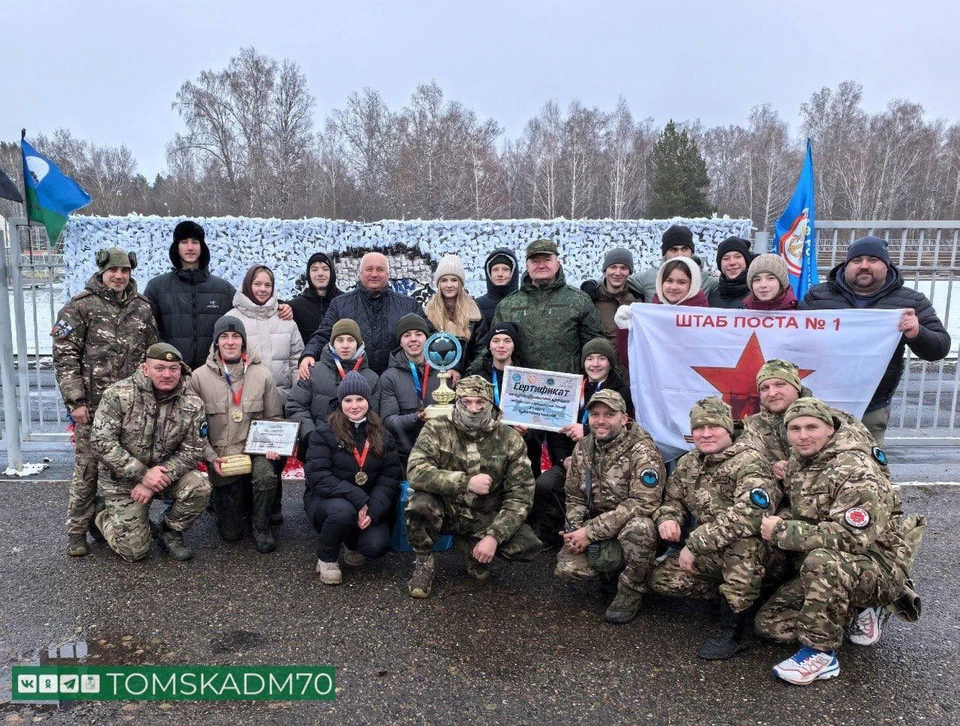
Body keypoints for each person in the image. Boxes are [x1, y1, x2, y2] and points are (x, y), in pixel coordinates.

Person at [757, 398, 922, 685]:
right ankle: (853, 608)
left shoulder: (855, 469)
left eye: (812, 427)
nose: (803, 435)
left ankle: (821, 654)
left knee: (821, 561)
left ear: (830, 430)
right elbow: (803, 510)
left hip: (877, 562)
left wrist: (783, 532)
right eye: (794, 428)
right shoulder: (800, 461)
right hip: (840, 564)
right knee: (772, 625)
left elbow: (852, 537)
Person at [650, 397, 780, 659]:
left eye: (714, 427)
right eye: (699, 428)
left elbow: (751, 515)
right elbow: (672, 499)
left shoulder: (750, 461)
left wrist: (694, 544)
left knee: (744, 545)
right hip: (712, 550)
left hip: (760, 554)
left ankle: (733, 630)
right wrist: (668, 518)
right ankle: (729, 598)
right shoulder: (690, 462)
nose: (706, 434)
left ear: (728, 429)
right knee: (662, 579)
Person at [52, 246, 157, 557]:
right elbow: (64, 356)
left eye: (124, 271)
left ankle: (119, 522)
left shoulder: (142, 308)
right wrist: (76, 402)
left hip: (131, 409)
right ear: (102, 272)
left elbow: (152, 353)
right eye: (113, 271)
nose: (119, 276)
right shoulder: (79, 307)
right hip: (93, 409)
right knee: (87, 470)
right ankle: (76, 532)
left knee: (125, 469)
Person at [800, 236, 951, 443]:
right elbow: (794, 341)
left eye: (872, 259)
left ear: (886, 265)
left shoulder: (910, 301)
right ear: (846, 265)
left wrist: (917, 333)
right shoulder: (817, 297)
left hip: (871, 407)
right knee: (814, 470)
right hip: (819, 405)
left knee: (866, 471)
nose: (863, 266)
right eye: (856, 260)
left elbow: (940, 348)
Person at [405, 376, 541, 597]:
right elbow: (416, 472)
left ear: (490, 404)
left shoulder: (510, 439)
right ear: (457, 402)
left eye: (480, 402)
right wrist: (464, 482)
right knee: (419, 504)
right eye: (466, 402)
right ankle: (424, 563)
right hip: (446, 508)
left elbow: (521, 495)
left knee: (527, 545)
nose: (474, 408)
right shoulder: (436, 428)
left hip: (483, 513)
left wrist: (494, 536)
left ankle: (472, 545)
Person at [90, 343, 210, 562]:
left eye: (173, 369)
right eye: (160, 368)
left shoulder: (192, 403)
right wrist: (142, 474)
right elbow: (101, 442)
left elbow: (193, 451)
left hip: (165, 475)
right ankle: (100, 514)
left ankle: (169, 531)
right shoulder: (119, 394)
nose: (167, 374)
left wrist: (153, 479)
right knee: (134, 552)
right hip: (121, 480)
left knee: (199, 487)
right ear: (145, 369)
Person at [555, 389, 665, 624]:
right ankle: (610, 572)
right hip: (597, 525)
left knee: (640, 528)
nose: (601, 421)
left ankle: (632, 589)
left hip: (630, 526)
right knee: (567, 568)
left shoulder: (642, 450)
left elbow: (644, 502)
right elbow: (574, 495)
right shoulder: (584, 447)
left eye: (609, 414)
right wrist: (574, 528)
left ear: (624, 418)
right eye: (595, 415)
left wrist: (590, 532)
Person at [187, 315, 284, 553]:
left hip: (254, 449)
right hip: (222, 456)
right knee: (231, 534)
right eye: (224, 337)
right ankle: (229, 504)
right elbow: (193, 428)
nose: (230, 342)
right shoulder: (199, 377)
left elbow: (274, 418)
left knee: (265, 476)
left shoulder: (262, 374)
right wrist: (211, 458)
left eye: (236, 336)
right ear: (216, 343)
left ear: (243, 342)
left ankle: (261, 525)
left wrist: (273, 446)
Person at [532, 337, 634, 548]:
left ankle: (598, 537)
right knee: (545, 485)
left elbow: (622, 428)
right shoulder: (572, 387)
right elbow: (557, 428)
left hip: (604, 463)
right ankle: (554, 535)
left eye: (601, 358)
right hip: (571, 457)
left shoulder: (621, 391)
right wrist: (564, 459)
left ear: (610, 362)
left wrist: (586, 430)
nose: (595, 364)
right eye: (590, 358)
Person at [303, 371, 402, 585]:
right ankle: (327, 558)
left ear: (368, 401)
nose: (354, 405)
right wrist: (358, 498)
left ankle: (351, 541)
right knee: (343, 512)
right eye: (348, 400)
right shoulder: (323, 433)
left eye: (360, 399)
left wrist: (373, 511)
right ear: (340, 402)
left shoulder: (383, 435)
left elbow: (389, 478)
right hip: (327, 501)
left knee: (375, 546)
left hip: (367, 503)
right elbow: (318, 476)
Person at [740, 359, 880, 481]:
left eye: (780, 384)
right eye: (765, 388)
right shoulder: (749, 427)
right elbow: (737, 466)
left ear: (796, 387)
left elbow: (869, 463)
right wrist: (770, 468)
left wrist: (801, 469)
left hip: (826, 497)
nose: (772, 393)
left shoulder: (836, 419)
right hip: (774, 501)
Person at [300, 252, 428, 377]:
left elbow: (430, 336)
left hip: (398, 382)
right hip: (352, 385)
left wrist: (445, 362)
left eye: (380, 269)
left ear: (388, 274)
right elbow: (322, 335)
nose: (374, 274)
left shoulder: (408, 305)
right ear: (360, 273)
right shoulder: (340, 304)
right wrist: (308, 355)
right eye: (369, 269)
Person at [492, 239, 604, 375]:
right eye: (535, 261)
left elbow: (596, 346)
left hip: (564, 388)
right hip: (521, 387)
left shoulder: (578, 300)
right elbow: (493, 346)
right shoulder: (508, 305)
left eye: (547, 260)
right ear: (527, 266)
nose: (541, 265)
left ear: (557, 264)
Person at [143, 220, 234, 371]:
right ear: (176, 247)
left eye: (195, 242)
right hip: (171, 373)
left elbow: (250, 307)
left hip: (212, 373)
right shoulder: (157, 287)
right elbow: (145, 330)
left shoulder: (223, 289)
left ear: (202, 247)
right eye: (184, 242)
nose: (190, 247)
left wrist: (280, 305)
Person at [287, 318, 381, 455]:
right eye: (340, 340)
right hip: (317, 448)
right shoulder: (312, 371)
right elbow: (295, 406)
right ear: (332, 343)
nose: (345, 345)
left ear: (358, 344)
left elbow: (374, 416)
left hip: (357, 451)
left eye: (350, 340)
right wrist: (311, 435)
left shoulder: (371, 378)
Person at [227, 263, 304, 404]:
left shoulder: (286, 320)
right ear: (247, 285)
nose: (263, 289)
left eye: (268, 285)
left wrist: (297, 396)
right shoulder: (231, 320)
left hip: (282, 401)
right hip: (244, 403)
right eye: (257, 284)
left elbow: (296, 360)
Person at [380, 314, 444, 463]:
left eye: (419, 334)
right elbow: (388, 422)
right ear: (400, 342)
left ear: (427, 339)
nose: (413, 339)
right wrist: (416, 417)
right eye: (407, 335)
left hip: (441, 455)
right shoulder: (389, 377)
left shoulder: (444, 372)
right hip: (404, 457)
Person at [424, 254, 488, 373]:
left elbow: (482, 351)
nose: (449, 285)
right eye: (444, 280)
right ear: (438, 284)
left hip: (468, 378)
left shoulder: (474, 313)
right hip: (435, 377)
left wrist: (467, 374)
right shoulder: (428, 313)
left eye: (454, 280)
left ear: (460, 283)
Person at [627, 224, 718, 302]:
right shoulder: (648, 277)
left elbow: (729, 286)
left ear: (692, 251)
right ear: (665, 254)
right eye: (673, 250)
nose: (680, 254)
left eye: (685, 249)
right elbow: (618, 282)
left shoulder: (706, 279)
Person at [580, 248, 640, 365]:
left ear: (630, 272)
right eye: (613, 267)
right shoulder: (590, 299)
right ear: (605, 270)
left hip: (627, 374)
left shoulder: (636, 303)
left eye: (624, 268)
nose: (618, 273)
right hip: (597, 371)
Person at [290, 252, 343, 347]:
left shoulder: (345, 302)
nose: (320, 274)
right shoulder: (296, 306)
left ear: (332, 273)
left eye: (325, 269)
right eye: (314, 269)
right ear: (308, 274)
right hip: (307, 360)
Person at [475, 248, 519, 326]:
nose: (500, 274)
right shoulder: (478, 305)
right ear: (489, 273)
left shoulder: (525, 302)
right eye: (495, 269)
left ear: (513, 272)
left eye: (505, 269)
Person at [707, 236, 754, 309]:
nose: (732, 262)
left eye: (738, 257)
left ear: (746, 261)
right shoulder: (710, 296)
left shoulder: (759, 295)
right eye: (726, 258)